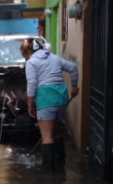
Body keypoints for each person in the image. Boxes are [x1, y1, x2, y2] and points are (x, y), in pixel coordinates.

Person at [20, 38, 79, 173]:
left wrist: (30, 104)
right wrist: (74, 87)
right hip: (61, 98)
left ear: (29, 51)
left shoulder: (31, 62)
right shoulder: (54, 58)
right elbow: (73, 68)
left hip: (46, 98)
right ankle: (60, 165)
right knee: (56, 132)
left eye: (25, 55)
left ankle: (48, 174)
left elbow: (32, 84)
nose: (25, 58)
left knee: (47, 136)